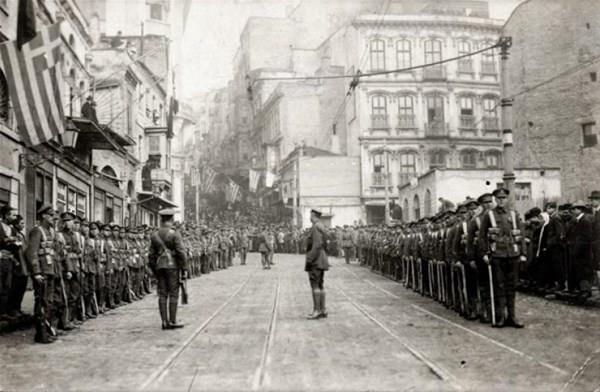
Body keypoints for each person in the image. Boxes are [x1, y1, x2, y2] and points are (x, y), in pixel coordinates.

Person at [478, 188, 526, 328]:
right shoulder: (489, 215)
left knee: (512, 286)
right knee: (499, 286)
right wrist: (484, 254)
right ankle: (501, 317)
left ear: (507, 199)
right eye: (498, 198)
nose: (501, 200)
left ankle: (512, 317)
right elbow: (482, 237)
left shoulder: (513, 214)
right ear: (495, 199)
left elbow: (520, 235)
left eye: (503, 198)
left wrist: (523, 253)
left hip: (513, 255)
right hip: (497, 255)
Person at [148, 208, 187, 330]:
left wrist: (155, 269)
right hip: (172, 266)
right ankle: (172, 320)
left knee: (162, 294)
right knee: (174, 293)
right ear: (171, 219)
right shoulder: (175, 234)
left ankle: (164, 322)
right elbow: (181, 253)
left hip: (160, 267)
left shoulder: (154, 235)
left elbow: (151, 255)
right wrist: (184, 268)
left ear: (161, 220)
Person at [26, 205, 58, 343]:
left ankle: (46, 330)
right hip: (42, 273)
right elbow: (31, 253)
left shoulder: (49, 232)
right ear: (44, 216)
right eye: (51, 216)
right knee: (41, 302)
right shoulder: (37, 231)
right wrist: (36, 272)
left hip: (49, 271)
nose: (53, 218)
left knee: (48, 302)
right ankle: (41, 334)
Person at [566, 201, 594, 300]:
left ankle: (586, 291)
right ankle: (582, 290)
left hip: (583, 252)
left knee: (584, 271)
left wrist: (577, 248)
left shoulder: (585, 221)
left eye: (574, 209)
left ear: (580, 209)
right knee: (579, 271)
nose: (573, 211)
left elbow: (586, 238)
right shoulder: (576, 221)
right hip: (577, 251)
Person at [305, 209, 329, 320]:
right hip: (322, 258)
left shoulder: (315, 227)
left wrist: (310, 258)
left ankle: (316, 310)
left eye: (310, 214)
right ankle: (323, 309)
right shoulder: (322, 226)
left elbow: (317, 244)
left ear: (313, 215)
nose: (309, 216)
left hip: (316, 259)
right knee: (320, 284)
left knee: (314, 284)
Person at [8, 215, 28, 318]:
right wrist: (15, 261)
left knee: (22, 288)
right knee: (15, 288)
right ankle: (12, 309)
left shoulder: (22, 235)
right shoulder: (12, 234)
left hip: (23, 265)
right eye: (21, 223)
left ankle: (18, 308)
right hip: (17, 265)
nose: (23, 225)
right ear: (16, 224)